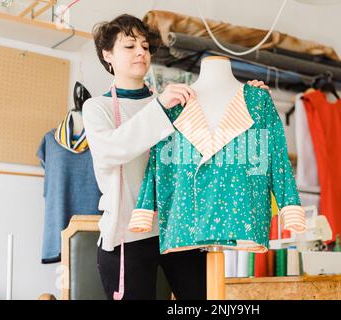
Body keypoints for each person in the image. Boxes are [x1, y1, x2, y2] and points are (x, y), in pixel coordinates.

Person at [82, 13, 271, 300]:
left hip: (179, 230)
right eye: (130, 46)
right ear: (107, 54)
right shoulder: (99, 108)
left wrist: (246, 100)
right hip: (127, 238)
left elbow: (215, 143)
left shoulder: (176, 103)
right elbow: (111, 151)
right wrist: (159, 107)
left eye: (145, 47)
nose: (141, 53)